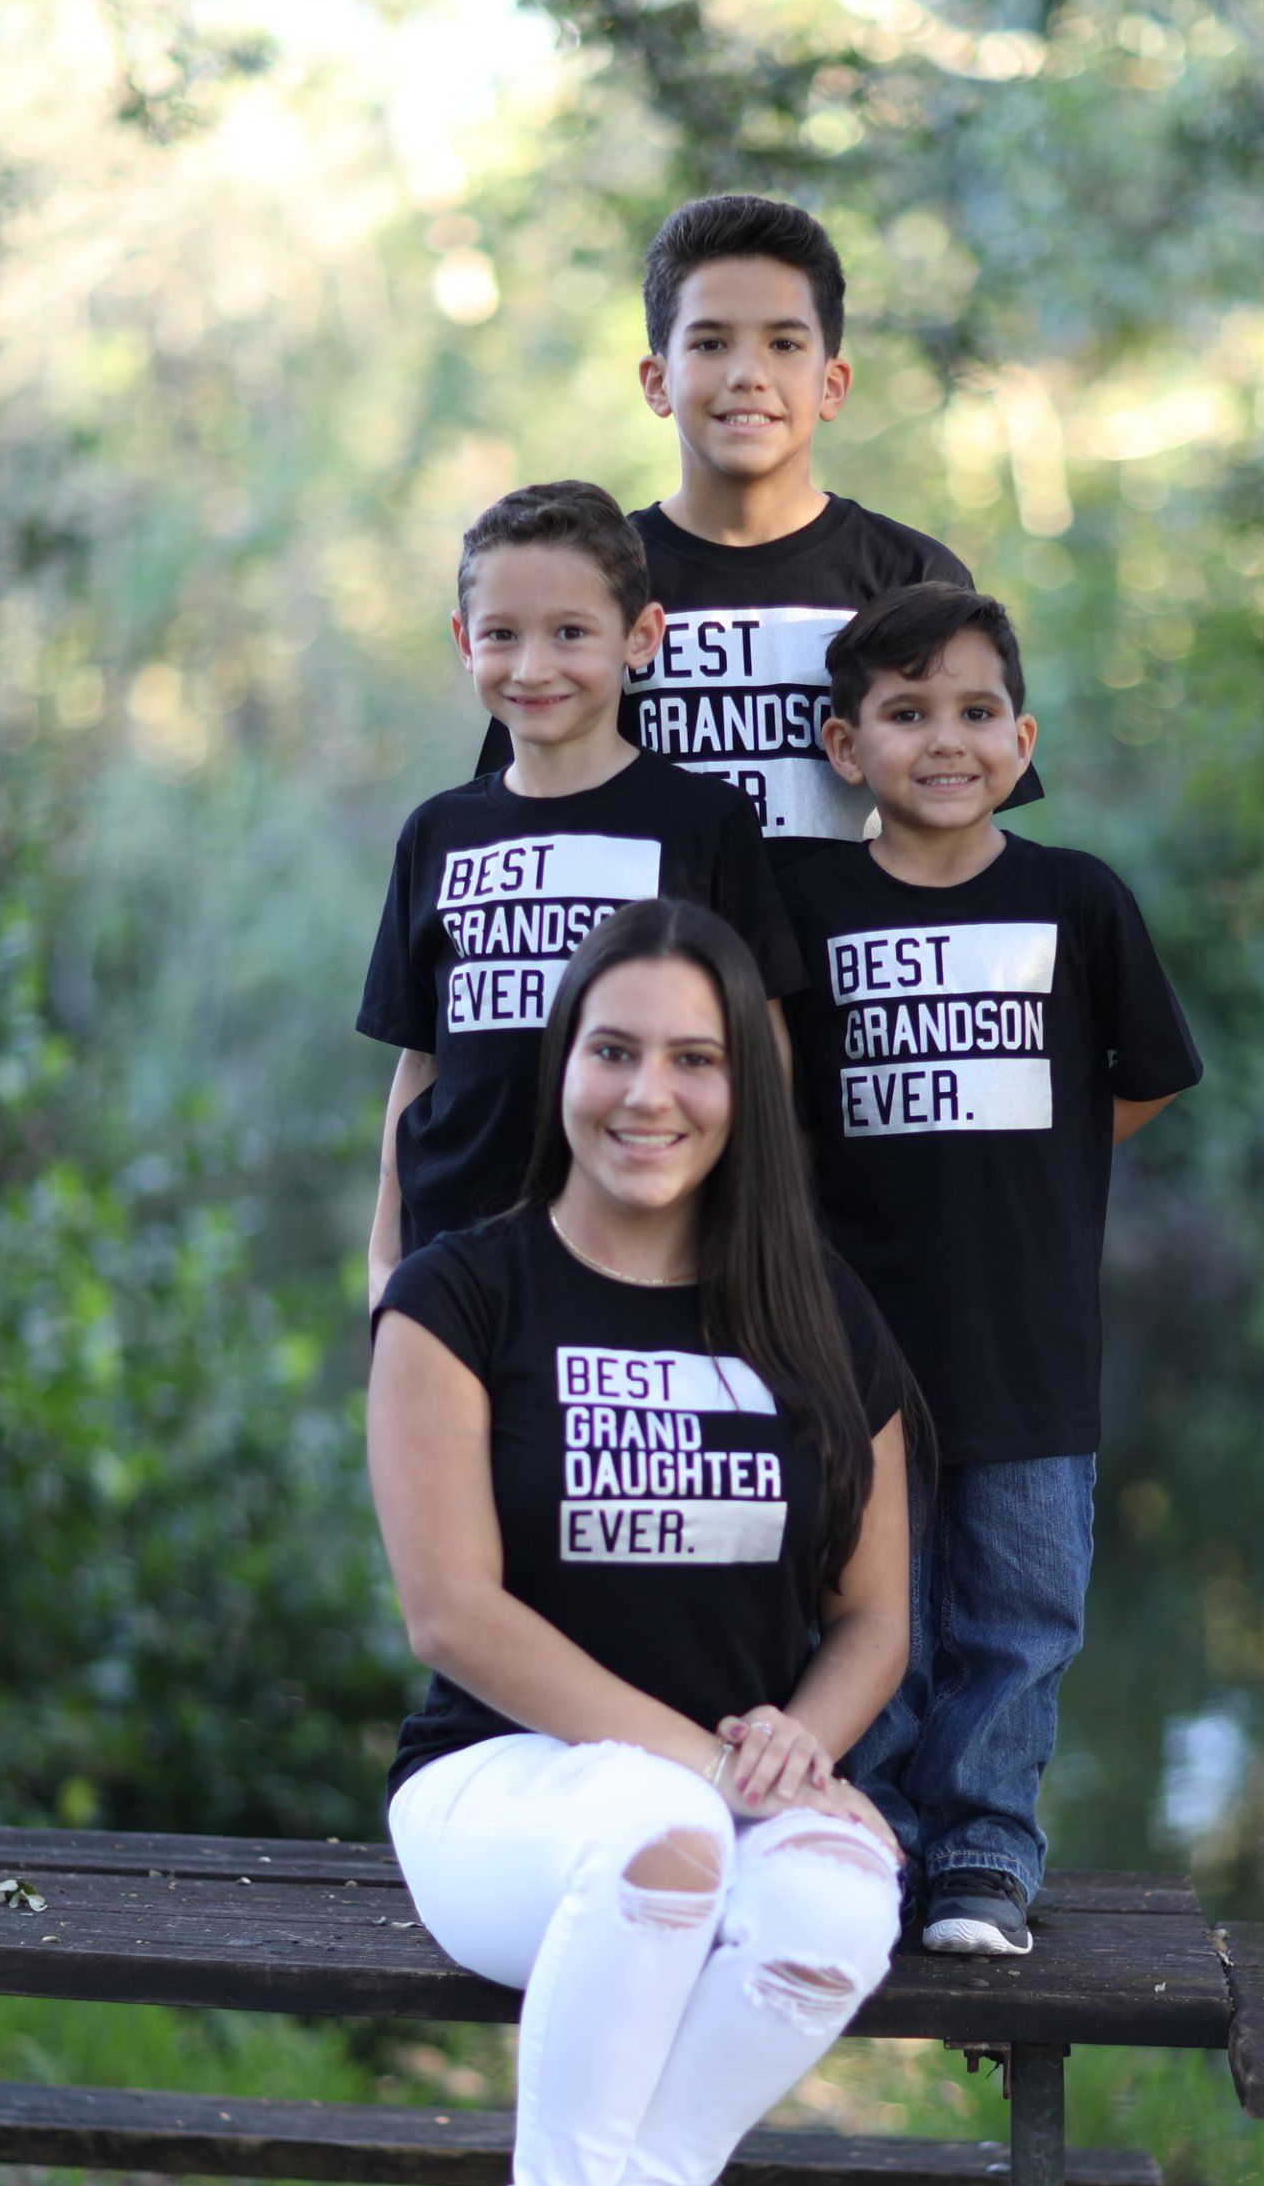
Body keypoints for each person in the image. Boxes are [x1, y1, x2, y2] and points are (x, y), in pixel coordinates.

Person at [367, 896, 908, 2186]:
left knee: (833, 1902)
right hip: (502, 1794)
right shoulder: (460, 1298)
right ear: (562, 1070)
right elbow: (454, 1616)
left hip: (722, 1784)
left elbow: (876, 1618)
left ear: (748, 1090)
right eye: (613, 1051)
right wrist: (724, 1770)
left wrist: (806, 1749)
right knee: (665, 1839)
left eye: (694, 1058)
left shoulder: (816, 1314)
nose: (647, 1094)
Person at [775, 583, 1202, 1957]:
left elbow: (1138, 1085)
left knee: (1019, 1616)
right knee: (869, 1611)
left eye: (972, 713)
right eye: (905, 714)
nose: (942, 741)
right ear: (848, 751)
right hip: (856, 1349)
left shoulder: (1076, 897)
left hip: (1025, 1340)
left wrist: (1028, 1160)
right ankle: (874, 1839)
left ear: (1022, 740)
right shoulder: (810, 902)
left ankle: (982, 1859)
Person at [478, 193, 1040, 846]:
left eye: (784, 343)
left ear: (831, 384)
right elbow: (526, 811)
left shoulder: (912, 575)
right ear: (657, 381)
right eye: (712, 342)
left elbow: (963, 826)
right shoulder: (591, 576)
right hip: (648, 945)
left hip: (842, 947)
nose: (748, 374)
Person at [359, 481, 802, 1307]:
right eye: (502, 635)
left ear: (639, 636)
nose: (533, 667)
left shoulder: (702, 821)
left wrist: (746, 1238)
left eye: (570, 633)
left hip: (647, 1254)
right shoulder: (438, 832)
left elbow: (761, 1045)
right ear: (464, 640)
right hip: (455, 1259)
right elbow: (420, 1057)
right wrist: (385, 1264)